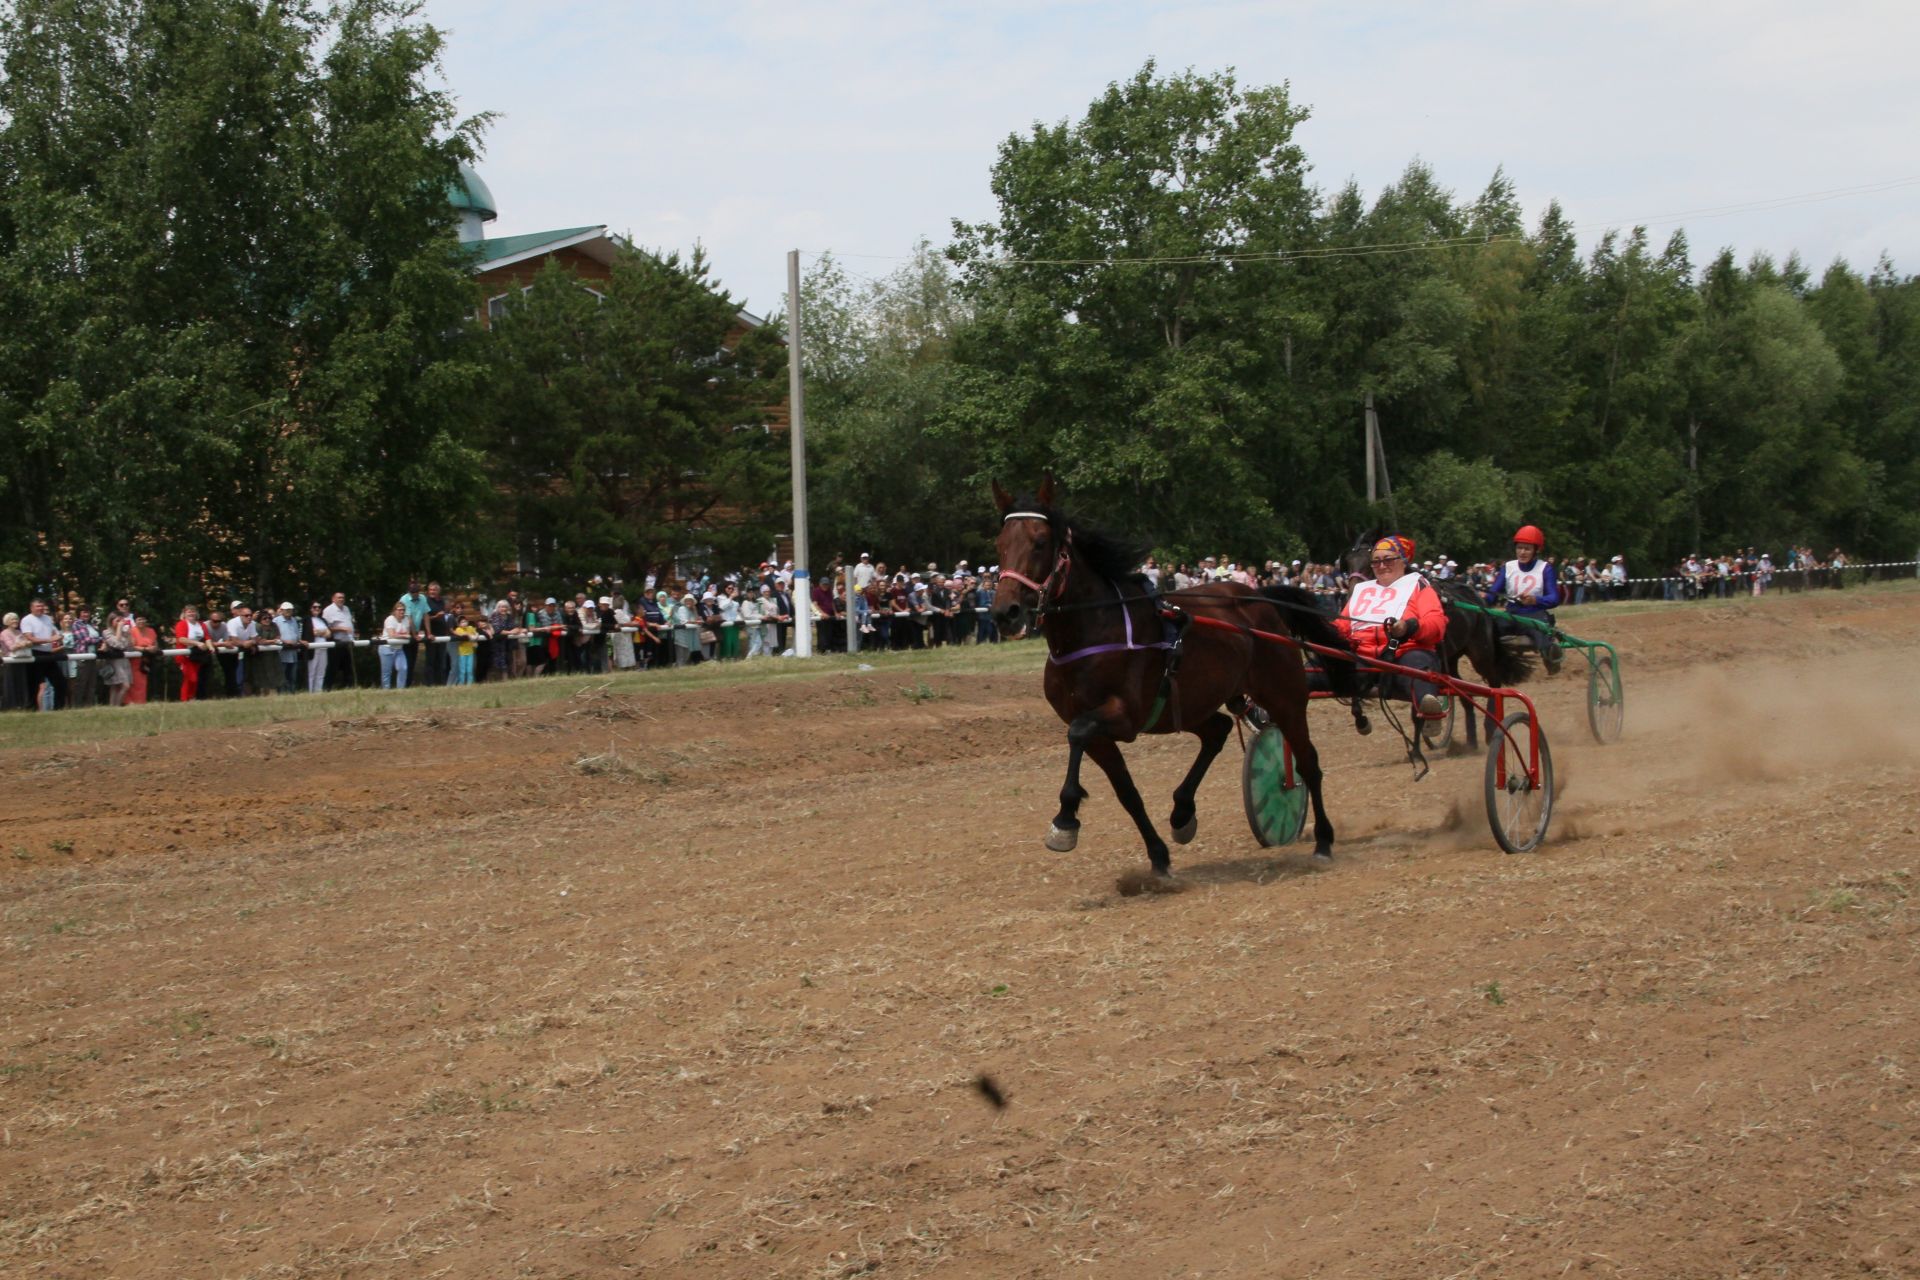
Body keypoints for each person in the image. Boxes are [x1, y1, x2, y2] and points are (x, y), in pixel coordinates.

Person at [1328, 535, 1448, 717]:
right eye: (1375, 562)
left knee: (1419, 664)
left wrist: (1409, 627)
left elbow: (1436, 624)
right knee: (1313, 667)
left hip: (1404, 654)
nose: (1382, 566)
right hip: (1362, 657)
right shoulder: (1362, 591)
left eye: (1388, 560)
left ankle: (1429, 708)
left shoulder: (1420, 587)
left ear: (1403, 561)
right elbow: (1342, 625)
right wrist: (1325, 630)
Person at [1483, 523, 1563, 674]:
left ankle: (1551, 657)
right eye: (1519, 548)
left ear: (1536, 550)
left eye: (1527, 549)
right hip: (1511, 614)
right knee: (1488, 631)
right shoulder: (1508, 567)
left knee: (1540, 634)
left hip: (1535, 614)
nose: (1522, 552)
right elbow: (1493, 594)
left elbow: (1554, 598)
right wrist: (1484, 597)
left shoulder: (1545, 568)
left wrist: (1535, 600)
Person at [173, 605, 208, 702]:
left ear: (197, 613)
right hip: (185, 656)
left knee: (195, 679)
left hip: (197, 655)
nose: (191, 613)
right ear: (184, 614)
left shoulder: (201, 624)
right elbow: (181, 639)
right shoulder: (181, 624)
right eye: (189, 612)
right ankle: (184, 699)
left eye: (193, 611)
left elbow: (207, 637)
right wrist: (197, 643)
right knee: (191, 678)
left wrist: (210, 646)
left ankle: (191, 697)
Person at [322, 592, 357, 690]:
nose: (341, 599)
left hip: (347, 642)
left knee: (348, 667)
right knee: (333, 667)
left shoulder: (346, 609)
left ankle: (349, 687)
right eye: (339, 597)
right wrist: (342, 629)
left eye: (343, 597)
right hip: (336, 642)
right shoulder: (328, 610)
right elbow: (327, 628)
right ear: (333, 599)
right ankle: (327, 688)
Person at [271, 603, 304, 694]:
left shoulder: (294, 620)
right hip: (282, 653)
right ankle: (282, 694)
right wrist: (285, 642)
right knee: (282, 676)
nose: (289, 611)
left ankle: (292, 693)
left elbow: (297, 635)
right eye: (286, 609)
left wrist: (300, 641)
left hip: (293, 653)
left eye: (290, 609)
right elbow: (275, 637)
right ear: (281, 610)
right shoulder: (276, 621)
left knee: (292, 676)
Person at [379, 602, 413, 688]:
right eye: (400, 610)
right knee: (387, 672)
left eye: (403, 610)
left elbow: (408, 634)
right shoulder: (390, 619)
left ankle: (400, 690)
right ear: (394, 611)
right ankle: (386, 691)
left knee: (403, 668)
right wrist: (403, 635)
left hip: (399, 649)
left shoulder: (406, 620)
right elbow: (392, 635)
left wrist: (401, 635)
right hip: (387, 648)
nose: (402, 612)